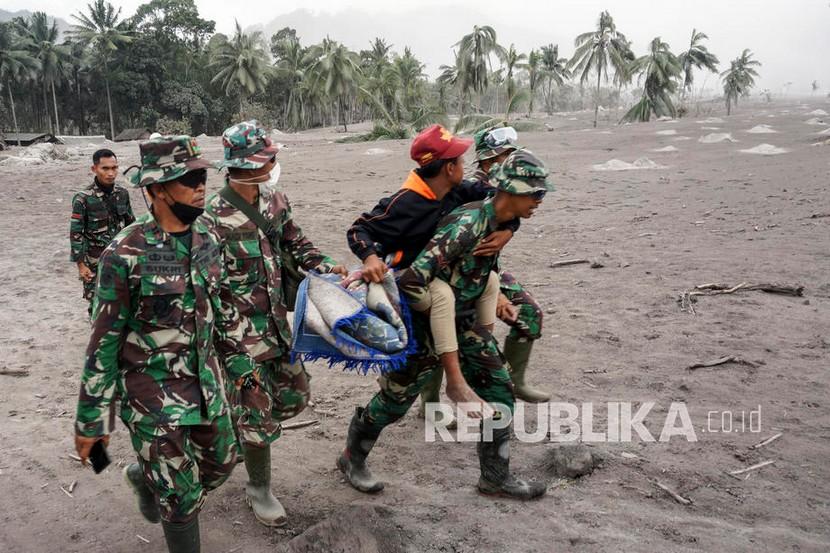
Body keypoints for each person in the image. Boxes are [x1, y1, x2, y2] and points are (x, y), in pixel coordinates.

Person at [336, 128, 548, 499]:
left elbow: (494, 199)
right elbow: (409, 276)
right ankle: (352, 457)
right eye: (536, 195)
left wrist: (509, 232)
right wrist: (432, 307)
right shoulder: (418, 208)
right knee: (394, 400)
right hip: (424, 318)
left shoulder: (470, 197)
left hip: (465, 318)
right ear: (447, 168)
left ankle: (495, 477)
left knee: (499, 388)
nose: (540, 203)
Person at [74, 136, 255, 553]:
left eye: (201, 176)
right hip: (151, 393)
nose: (200, 185)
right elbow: (103, 342)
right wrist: (92, 419)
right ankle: (167, 494)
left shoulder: (208, 236)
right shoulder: (125, 253)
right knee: (180, 498)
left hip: (205, 383)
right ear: (155, 190)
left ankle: (145, 478)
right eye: (187, 178)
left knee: (223, 461)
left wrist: (242, 364)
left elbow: (220, 306)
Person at [201, 120, 346, 527]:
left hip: (277, 329)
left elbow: (295, 242)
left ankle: (225, 426)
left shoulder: (273, 199)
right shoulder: (211, 218)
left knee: (295, 396)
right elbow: (209, 288)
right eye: (269, 156)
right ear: (246, 165)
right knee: (257, 414)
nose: (276, 160)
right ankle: (258, 488)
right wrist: (228, 345)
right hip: (237, 338)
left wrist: (325, 266)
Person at [421, 125, 550, 406]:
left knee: (529, 313)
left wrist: (510, 229)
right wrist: (495, 293)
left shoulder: (512, 186)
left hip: (487, 267)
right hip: (450, 268)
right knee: (442, 333)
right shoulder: (466, 190)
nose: (511, 162)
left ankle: (515, 382)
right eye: (506, 156)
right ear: (491, 160)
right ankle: (429, 403)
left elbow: (501, 226)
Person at [69, 148, 135, 316]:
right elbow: (76, 234)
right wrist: (81, 265)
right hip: (94, 262)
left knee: (124, 301)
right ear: (94, 169)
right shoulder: (83, 198)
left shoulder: (122, 194)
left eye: (114, 168)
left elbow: (131, 225)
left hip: (121, 259)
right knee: (97, 305)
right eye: (105, 168)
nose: (111, 173)